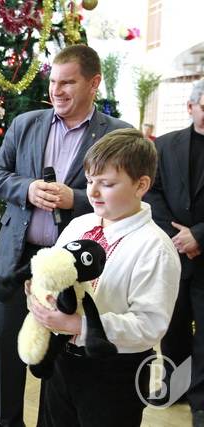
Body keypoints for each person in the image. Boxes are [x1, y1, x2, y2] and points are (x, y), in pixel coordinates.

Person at [0, 44, 133, 427]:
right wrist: (27, 188)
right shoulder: (25, 124)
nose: (56, 91)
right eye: (53, 82)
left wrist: (76, 199)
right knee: (5, 346)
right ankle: (7, 423)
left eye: (68, 83)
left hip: (76, 270)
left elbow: (129, 197)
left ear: (94, 83)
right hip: (16, 259)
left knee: (64, 358)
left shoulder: (118, 135)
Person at [33, 128, 180, 426]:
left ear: (141, 185)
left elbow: (150, 325)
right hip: (62, 360)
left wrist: (79, 325)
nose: (93, 192)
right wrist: (40, 294)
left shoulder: (155, 248)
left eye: (107, 184)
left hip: (113, 371)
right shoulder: (79, 225)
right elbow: (53, 273)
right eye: (90, 181)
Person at [145, 79, 204, 426]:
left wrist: (199, 236)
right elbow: (151, 193)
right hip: (174, 253)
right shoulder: (164, 145)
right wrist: (179, 237)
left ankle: (201, 401)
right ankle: (174, 386)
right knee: (173, 326)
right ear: (191, 107)